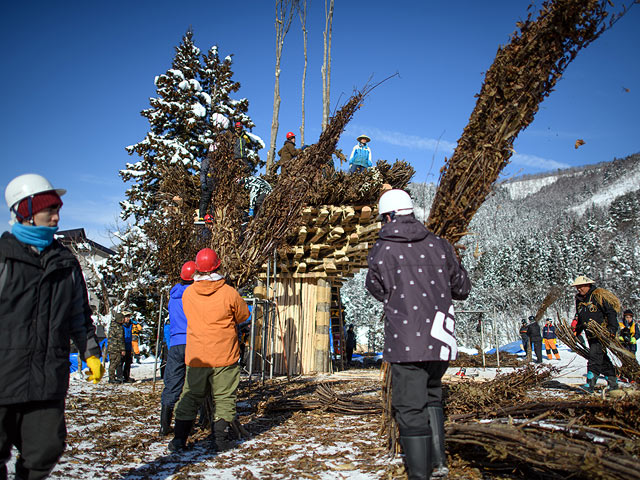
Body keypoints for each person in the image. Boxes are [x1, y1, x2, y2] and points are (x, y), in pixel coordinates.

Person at [1, 174, 103, 479]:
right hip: (2, 377)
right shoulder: (4, 259)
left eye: (58, 209)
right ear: (25, 211)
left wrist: (90, 352)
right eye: (49, 209)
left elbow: (78, 315)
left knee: (46, 448)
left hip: (46, 378)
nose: (57, 216)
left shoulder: (65, 262)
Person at [365, 189, 471, 480]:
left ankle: (420, 475)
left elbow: (374, 288)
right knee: (432, 395)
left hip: (405, 343)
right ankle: (439, 463)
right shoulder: (441, 244)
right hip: (441, 340)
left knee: (409, 408)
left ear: (387, 216)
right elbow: (462, 288)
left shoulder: (382, 250)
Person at [169, 248, 250, 452]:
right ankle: (220, 441)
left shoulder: (188, 294)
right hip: (225, 355)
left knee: (190, 395)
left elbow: (189, 315)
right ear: (218, 266)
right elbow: (243, 316)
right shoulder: (229, 293)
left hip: (197, 356)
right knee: (224, 397)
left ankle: (179, 439)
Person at [160, 260, 196, 437]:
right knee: (195, 383)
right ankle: (196, 422)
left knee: (172, 383)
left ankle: (164, 425)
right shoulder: (194, 294)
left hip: (175, 344)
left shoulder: (173, 295)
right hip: (192, 341)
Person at [572, 275, 620, 392]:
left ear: (588, 285)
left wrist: (612, 329)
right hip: (590, 334)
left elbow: (611, 313)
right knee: (602, 359)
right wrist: (577, 330)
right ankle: (613, 383)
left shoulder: (598, 296)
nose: (579, 289)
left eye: (581, 286)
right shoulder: (579, 299)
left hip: (601, 333)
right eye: (577, 287)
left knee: (594, 357)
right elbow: (580, 317)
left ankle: (590, 385)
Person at [108, 311, 134, 383]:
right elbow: (120, 339)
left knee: (127, 362)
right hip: (118, 347)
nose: (128, 319)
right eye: (126, 317)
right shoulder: (119, 327)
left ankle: (126, 376)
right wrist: (122, 349)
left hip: (126, 345)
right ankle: (117, 377)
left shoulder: (130, 325)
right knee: (117, 362)